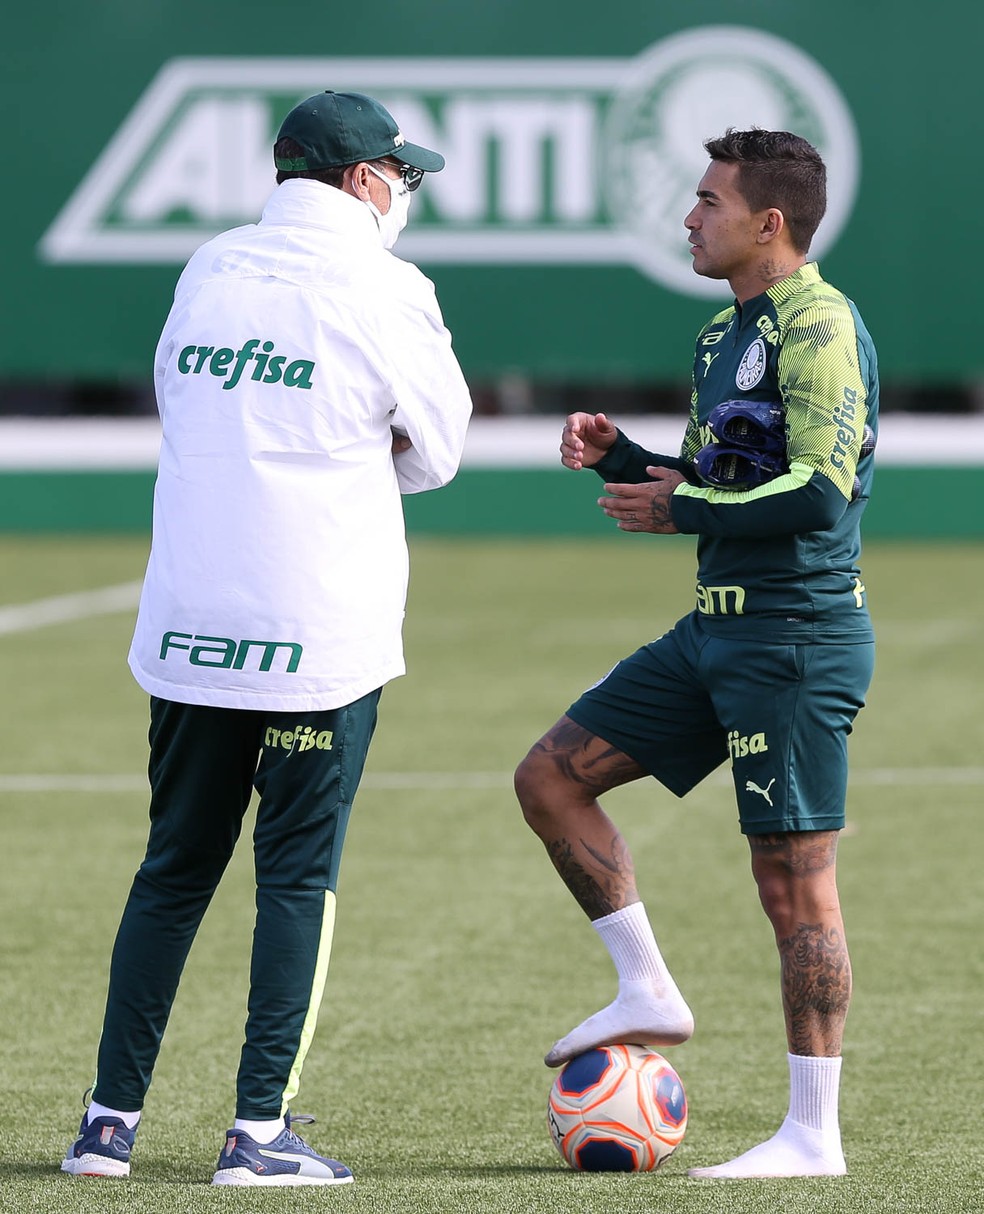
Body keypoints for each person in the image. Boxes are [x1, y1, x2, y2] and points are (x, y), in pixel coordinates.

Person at [61, 90, 472, 1187]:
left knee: (172, 868)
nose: (405, 192)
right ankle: (257, 1132)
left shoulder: (211, 266)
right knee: (297, 878)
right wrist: (353, 447)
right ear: (360, 180)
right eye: (400, 174)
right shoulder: (389, 287)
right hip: (315, 633)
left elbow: (184, 405)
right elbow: (438, 451)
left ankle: (106, 1126)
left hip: (192, 622)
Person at [515, 128, 878, 1180]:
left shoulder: (822, 324)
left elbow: (820, 490)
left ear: (769, 223)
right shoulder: (722, 332)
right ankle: (646, 987)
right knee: (549, 778)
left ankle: (812, 1135)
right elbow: (722, 477)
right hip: (716, 628)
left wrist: (683, 508)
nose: (689, 216)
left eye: (709, 201)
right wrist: (624, 458)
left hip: (795, 637)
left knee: (793, 884)